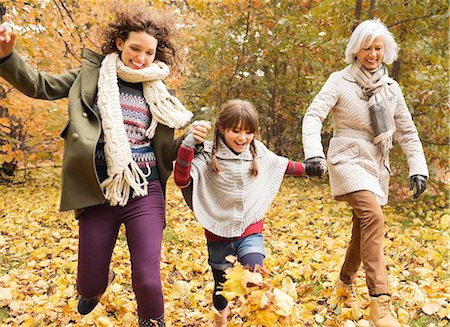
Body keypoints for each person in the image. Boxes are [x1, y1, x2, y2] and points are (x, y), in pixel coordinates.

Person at [0, 3, 197, 326]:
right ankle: (97, 281)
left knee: (147, 279)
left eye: (149, 53)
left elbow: (165, 151)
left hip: (146, 192)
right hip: (99, 191)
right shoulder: (90, 77)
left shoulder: (159, 92)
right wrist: (7, 57)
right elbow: (40, 85)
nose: (141, 58)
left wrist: (192, 141)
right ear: (120, 42)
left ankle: (154, 320)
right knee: (88, 285)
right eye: (135, 48)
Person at [302, 19, 428, 327]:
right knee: (374, 216)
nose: (372, 54)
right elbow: (314, 115)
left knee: (363, 224)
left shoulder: (391, 88)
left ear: (385, 50)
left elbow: (407, 132)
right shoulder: (339, 80)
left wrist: (418, 167)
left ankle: (345, 284)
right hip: (346, 157)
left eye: (377, 48)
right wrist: (314, 153)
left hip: (375, 162)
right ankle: (380, 303)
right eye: (366, 48)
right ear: (355, 50)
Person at [173, 99, 306, 326]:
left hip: (250, 229)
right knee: (222, 289)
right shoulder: (205, 154)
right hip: (217, 233)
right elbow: (181, 179)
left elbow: (283, 165)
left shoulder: (257, 151)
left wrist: (311, 168)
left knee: (255, 275)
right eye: (236, 131)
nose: (243, 138)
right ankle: (220, 322)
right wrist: (187, 145)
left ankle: (259, 318)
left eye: (248, 132)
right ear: (222, 129)